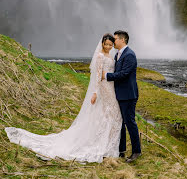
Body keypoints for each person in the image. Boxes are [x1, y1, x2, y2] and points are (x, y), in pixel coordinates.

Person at [5, 34, 122, 163]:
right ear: (102, 44)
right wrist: (95, 92)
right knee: (106, 113)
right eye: (106, 44)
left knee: (110, 114)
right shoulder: (100, 56)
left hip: (111, 87)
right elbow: (98, 75)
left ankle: (106, 142)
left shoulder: (111, 55)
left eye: (110, 45)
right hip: (103, 88)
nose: (108, 46)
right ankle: (101, 143)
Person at [102, 30, 141, 163]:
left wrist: (106, 76)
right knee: (121, 122)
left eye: (115, 39)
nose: (113, 41)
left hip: (128, 95)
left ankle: (137, 151)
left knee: (130, 122)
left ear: (122, 40)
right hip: (120, 94)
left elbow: (124, 74)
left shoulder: (129, 55)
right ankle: (121, 149)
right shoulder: (118, 54)